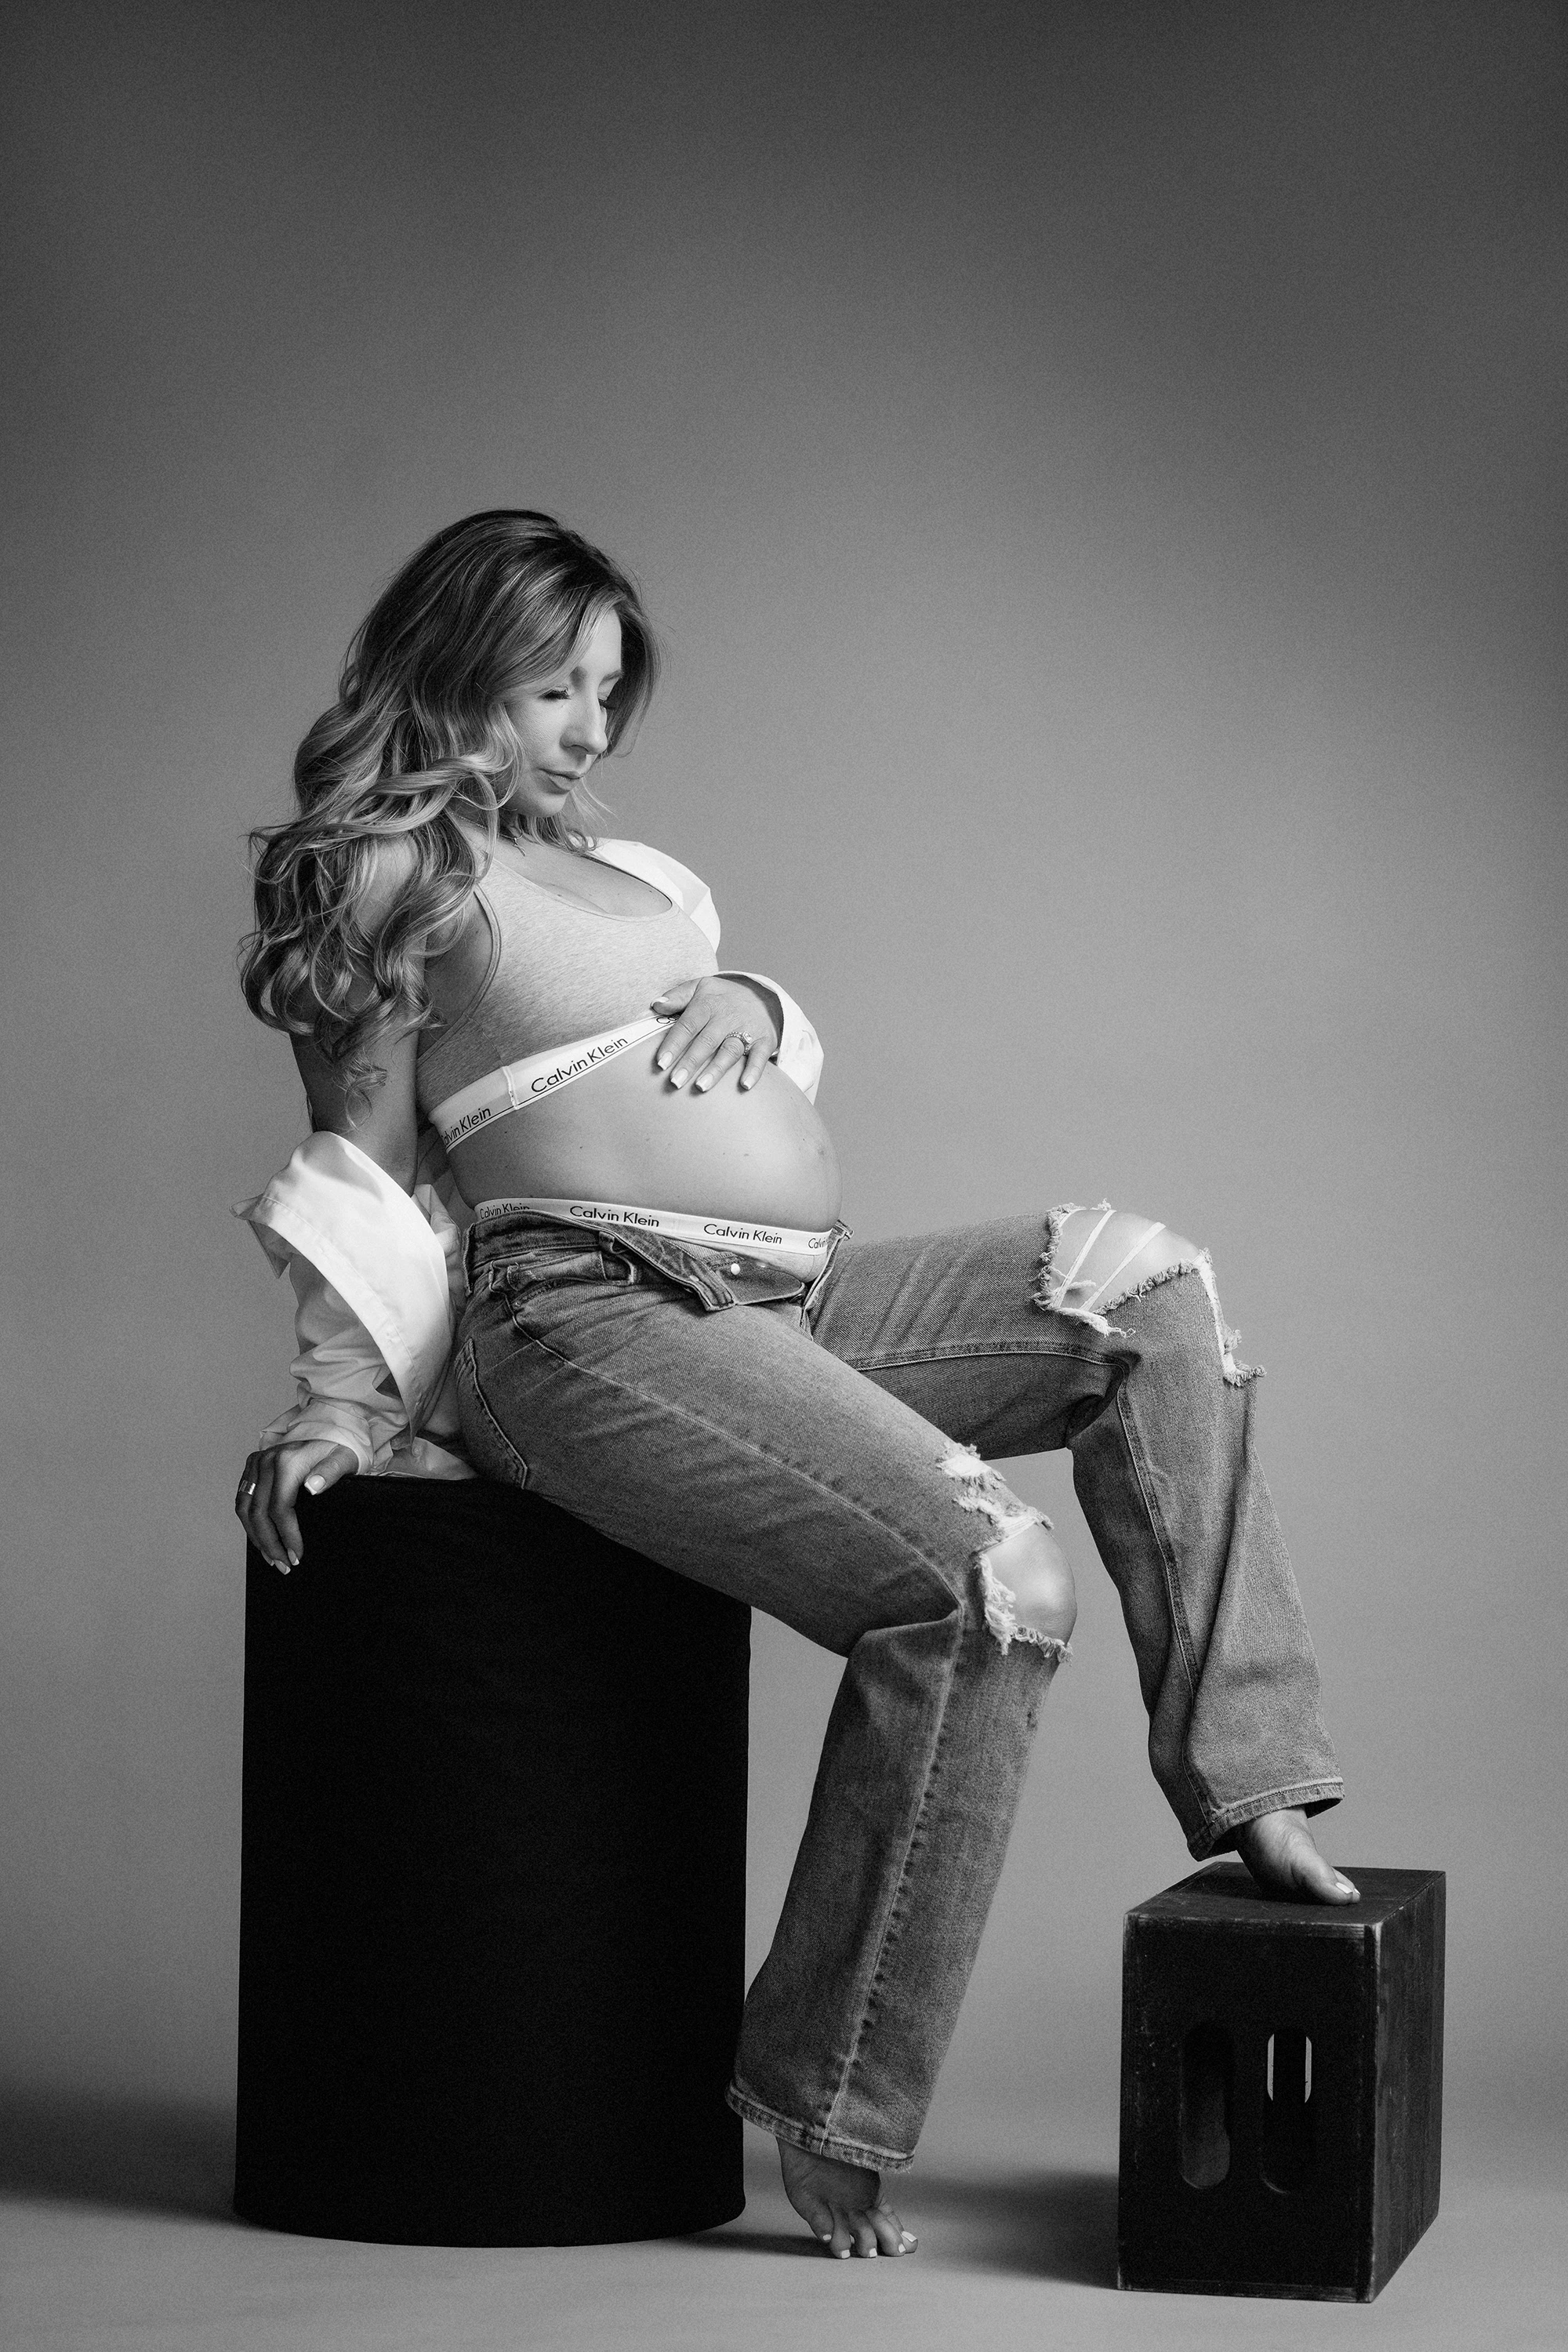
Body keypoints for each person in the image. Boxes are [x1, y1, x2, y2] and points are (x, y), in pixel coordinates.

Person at [234, 509, 1354, 2261]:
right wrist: (341, 1411)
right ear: (446, 669)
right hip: (585, 1323)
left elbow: (699, 1023)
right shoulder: (395, 875)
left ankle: (1253, 1781)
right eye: (549, 690)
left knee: (1143, 1283)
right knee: (994, 1582)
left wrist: (755, 1006)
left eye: (609, 690)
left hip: (783, 1301)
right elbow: (363, 1162)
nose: (590, 728)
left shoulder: (646, 875)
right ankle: (829, 2103)